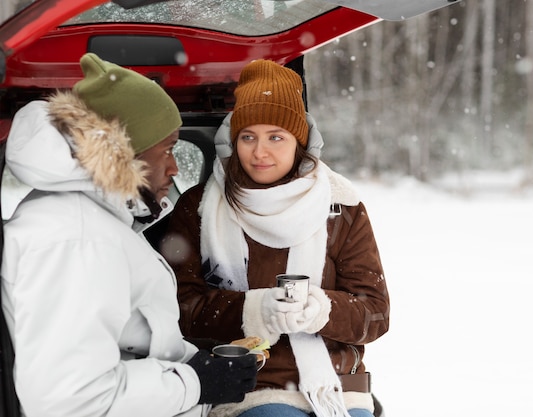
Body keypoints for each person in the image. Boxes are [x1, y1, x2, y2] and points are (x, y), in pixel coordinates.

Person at [0, 52, 258, 417]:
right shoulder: (77, 238)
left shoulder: (87, 218)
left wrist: (194, 360)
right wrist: (196, 383)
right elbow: (70, 401)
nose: (173, 167)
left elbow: (124, 340)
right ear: (123, 154)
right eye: (167, 149)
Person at [161, 59, 390, 417]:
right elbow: (179, 308)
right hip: (249, 383)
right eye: (248, 136)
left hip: (335, 385)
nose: (260, 151)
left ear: (300, 142)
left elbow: (375, 313)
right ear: (232, 141)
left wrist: (322, 310)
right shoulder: (200, 206)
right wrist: (255, 311)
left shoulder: (340, 206)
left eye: (276, 137)